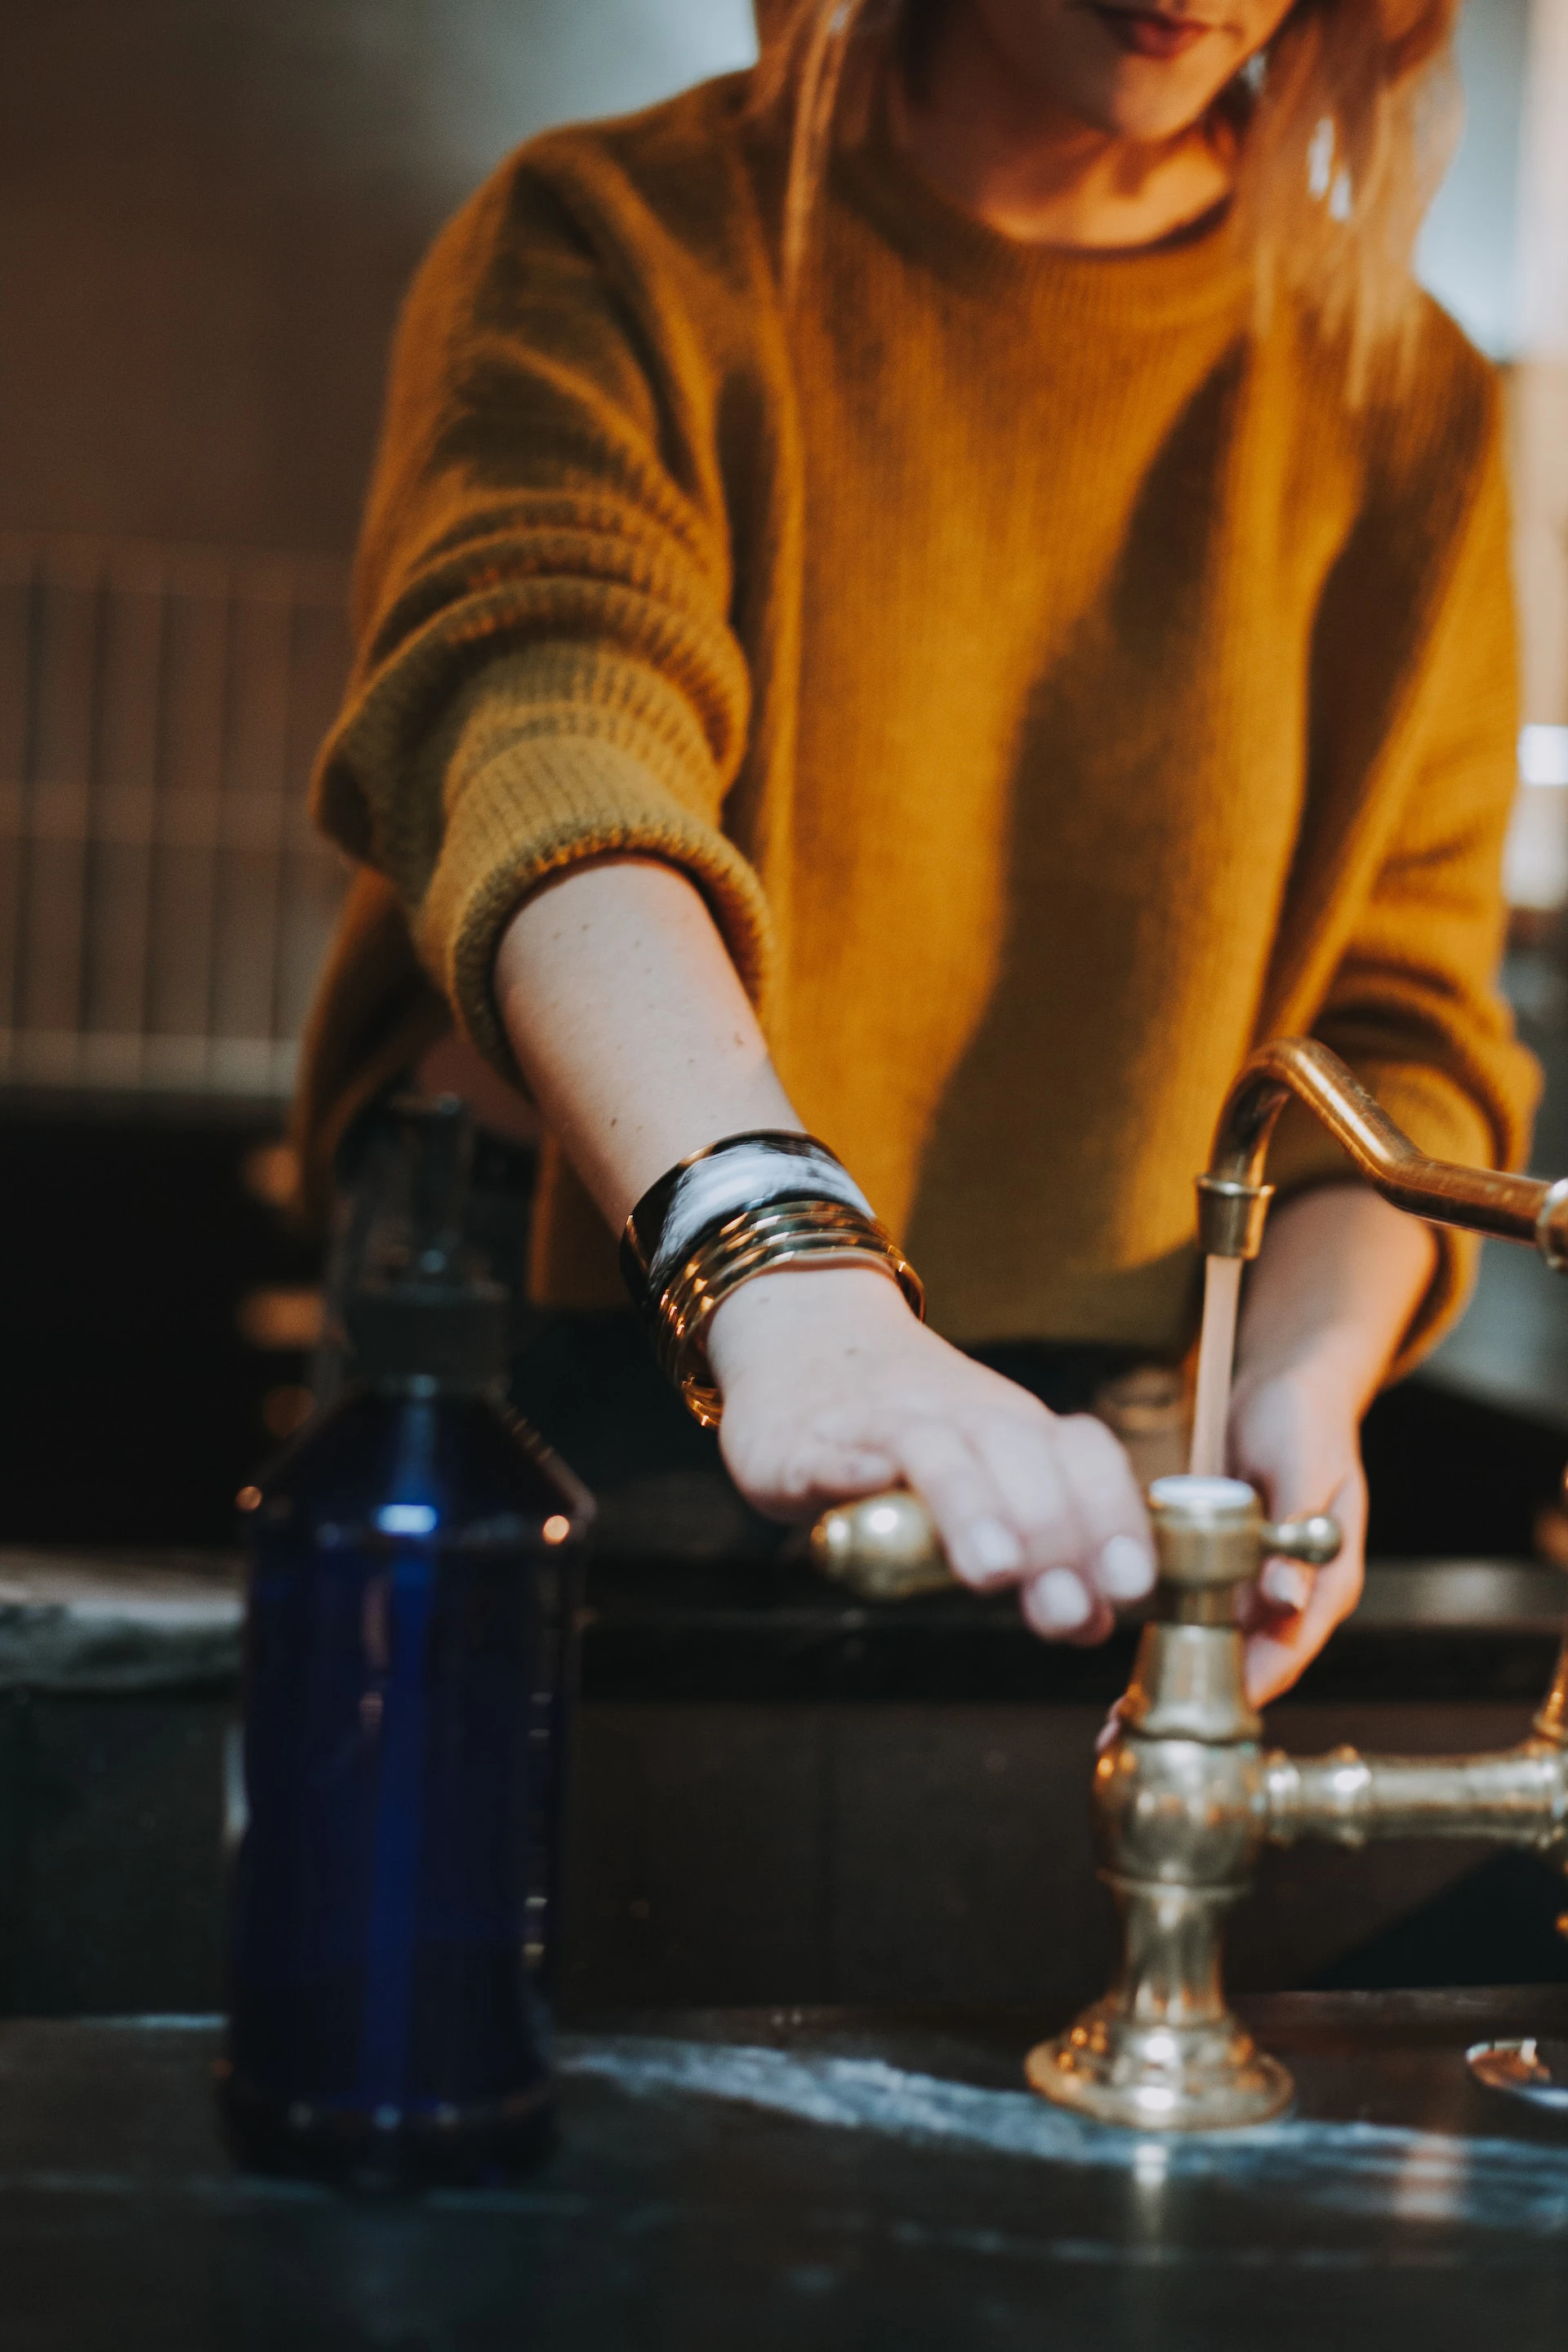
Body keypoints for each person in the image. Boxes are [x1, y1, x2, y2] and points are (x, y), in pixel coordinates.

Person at [295, 0, 1537, 1704]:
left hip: (1102, 1417)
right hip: (588, 1313)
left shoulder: (1407, 397)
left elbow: (1399, 1033)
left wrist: (1298, 1375)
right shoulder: (619, 240)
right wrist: (773, 1254)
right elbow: (546, 741)